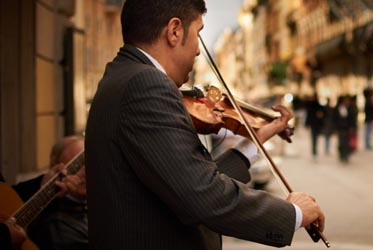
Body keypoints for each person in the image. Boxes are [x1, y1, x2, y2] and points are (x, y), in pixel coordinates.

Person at [85, 1, 324, 249]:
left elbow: (184, 181)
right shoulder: (145, 85)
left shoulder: (122, 76)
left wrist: (254, 141)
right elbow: (201, 195)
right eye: (198, 32)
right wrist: (293, 213)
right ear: (175, 31)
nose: (199, 51)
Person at [1, 136, 86, 250]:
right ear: (55, 166)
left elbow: (7, 197)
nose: (87, 172)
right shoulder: (57, 228)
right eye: (80, 167)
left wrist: (42, 184)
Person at [305, 93, 325, 159]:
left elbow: (322, 115)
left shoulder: (317, 106)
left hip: (316, 124)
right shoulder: (310, 105)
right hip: (313, 124)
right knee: (314, 138)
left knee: (315, 138)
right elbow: (308, 115)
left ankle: (314, 151)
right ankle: (314, 151)